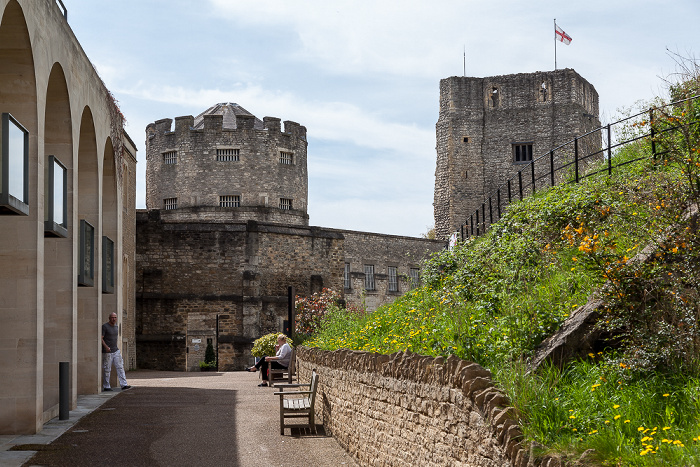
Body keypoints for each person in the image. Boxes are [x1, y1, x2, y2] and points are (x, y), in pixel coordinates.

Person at [101, 312, 131, 391]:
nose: (114, 319)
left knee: (120, 367)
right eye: (112, 317)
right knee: (107, 369)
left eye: (115, 317)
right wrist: (106, 347)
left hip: (116, 350)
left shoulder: (116, 327)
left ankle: (124, 384)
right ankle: (106, 386)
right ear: (109, 318)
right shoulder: (105, 327)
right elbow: (101, 338)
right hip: (107, 351)